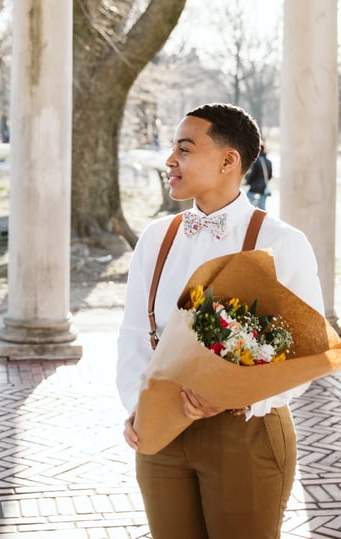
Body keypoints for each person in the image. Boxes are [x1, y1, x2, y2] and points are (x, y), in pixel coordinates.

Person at [117, 103, 324, 539]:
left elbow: (304, 351)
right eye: (172, 148)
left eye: (185, 149)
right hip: (161, 434)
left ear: (229, 161)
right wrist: (139, 407)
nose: (170, 160)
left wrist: (241, 399)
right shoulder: (157, 238)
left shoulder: (281, 243)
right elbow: (136, 333)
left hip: (245, 433)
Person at [244, 142, 273, 210]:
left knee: (249, 207)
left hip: (254, 188)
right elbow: (270, 176)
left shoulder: (256, 161)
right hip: (264, 188)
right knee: (262, 208)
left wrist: (247, 182)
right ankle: (261, 220)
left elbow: (252, 174)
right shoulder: (269, 162)